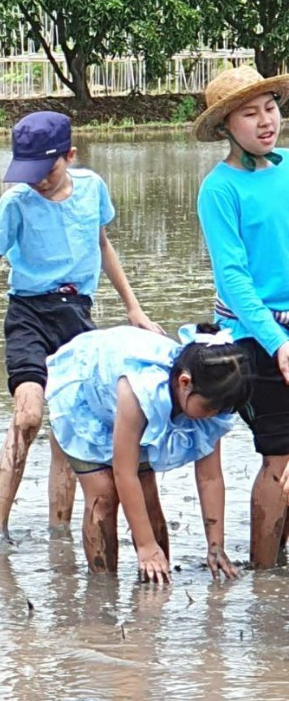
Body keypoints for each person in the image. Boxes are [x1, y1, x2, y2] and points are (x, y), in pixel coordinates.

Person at [0, 110, 161, 542]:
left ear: (69, 155)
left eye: (46, 171)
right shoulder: (16, 203)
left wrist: (134, 309)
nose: (38, 181)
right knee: (28, 416)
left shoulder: (92, 189)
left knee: (69, 427)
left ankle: (59, 534)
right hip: (28, 314)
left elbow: (103, 246)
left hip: (77, 315)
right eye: (29, 172)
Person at [46, 324, 250, 583]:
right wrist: (145, 546)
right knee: (103, 494)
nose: (215, 415)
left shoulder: (211, 404)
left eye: (223, 410)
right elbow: (124, 472)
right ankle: (102, 587)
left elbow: (210, 478)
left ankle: (157, 581)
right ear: (184, 383)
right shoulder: (140, 390)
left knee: (147, 494)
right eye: (211, 408)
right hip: (88, 395)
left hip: (134, 407)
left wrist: (215, 545)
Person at [194, 65, 289, 569]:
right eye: (249, 114)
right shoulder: (220, 189)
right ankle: (265, 575)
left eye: (270, 108)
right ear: (226, 127)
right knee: (279, 455)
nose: (265, 121)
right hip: (252, 334)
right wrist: (277, 341)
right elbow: (233, 279)